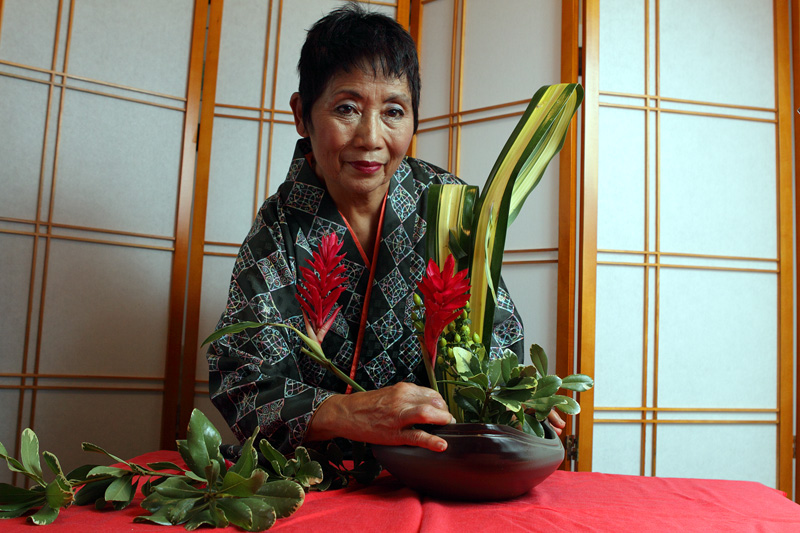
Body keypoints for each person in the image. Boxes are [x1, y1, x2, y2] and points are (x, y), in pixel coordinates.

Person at [207, 5, 558, 457]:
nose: (371, 137)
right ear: (301, 115)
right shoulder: (279, 229)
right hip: (321, 475)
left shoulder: (446, 205)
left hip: (439, 461)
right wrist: (352, 412)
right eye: (347, 108)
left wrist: (512, 395)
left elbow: (494, 338)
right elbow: (244, 382)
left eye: (394, 111)